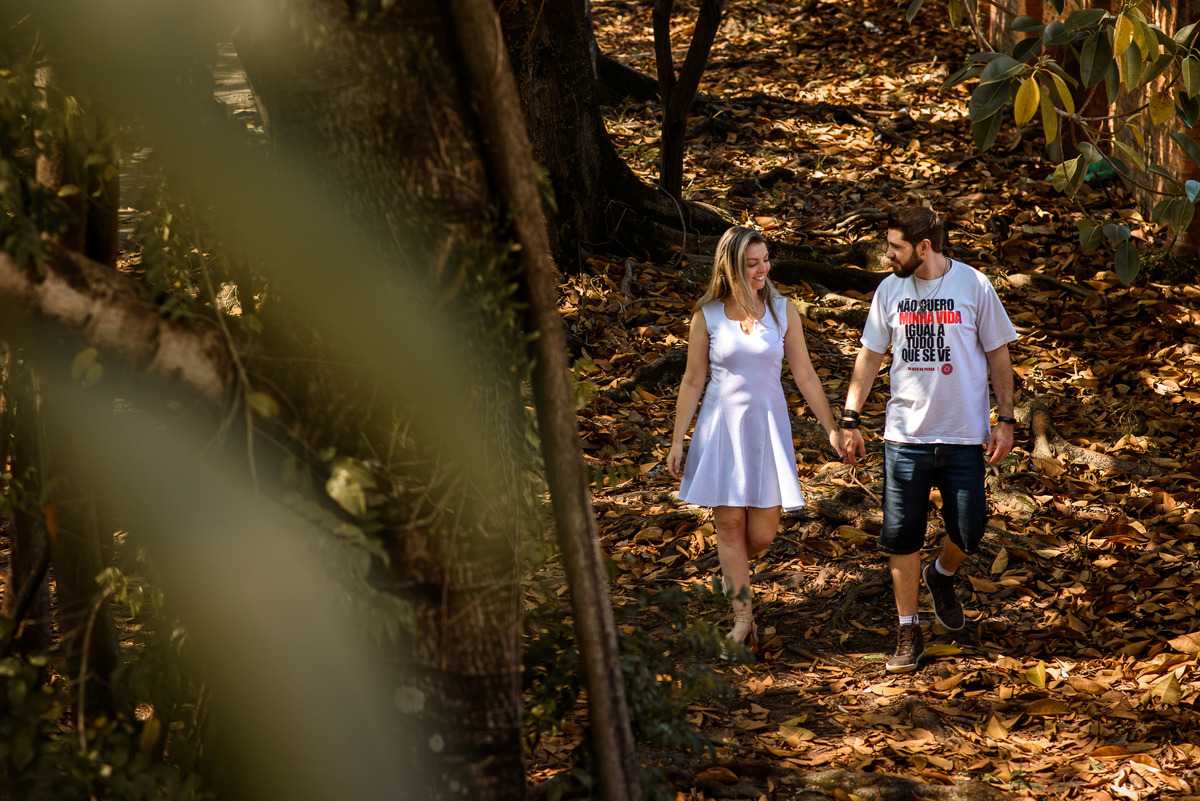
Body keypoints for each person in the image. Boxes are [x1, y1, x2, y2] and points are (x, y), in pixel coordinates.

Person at [839, 207, 1018, 673]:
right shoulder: (889, 290)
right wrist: (851, 417)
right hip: (905, 437)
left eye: (895, 246)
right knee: (902, 536)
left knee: (970, 528)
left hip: (963, 435)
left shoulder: (973, 286)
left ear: (924, 247)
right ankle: (908, 631)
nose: (888, 254)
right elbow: (869, 356)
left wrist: (1007, 419)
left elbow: (999, 356)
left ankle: (941, 575)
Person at [667, 225, 842, 651]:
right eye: (752, 264)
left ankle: (733, 573)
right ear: (730, 268)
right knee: (728, 526)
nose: (762, 270)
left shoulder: (783, 311)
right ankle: (742, 617)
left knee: (761, 534)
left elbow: (804, 374)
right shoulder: (706, 315)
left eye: (765, 261)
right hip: (721, 427)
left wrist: (832, 427)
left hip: (766, 428)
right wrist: (677, 440)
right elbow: (692, 381)